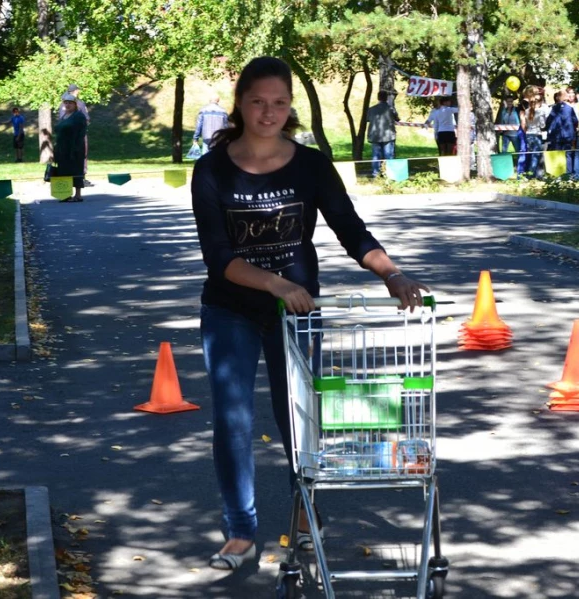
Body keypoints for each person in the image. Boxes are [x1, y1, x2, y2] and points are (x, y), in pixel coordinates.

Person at [190, 56, 429, 571]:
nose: (268, 112)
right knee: (233, 421)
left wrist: (392, 275)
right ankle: (240, 533)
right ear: (240, 104)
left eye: (279, 102)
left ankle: (305, 516)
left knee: (299, 421)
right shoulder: (211, 169)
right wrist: (277, 283)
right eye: (258, 101)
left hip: (297, 316)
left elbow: (351, 229)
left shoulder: (311, 164)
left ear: (290, 106)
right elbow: (220, 258)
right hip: (230, 310)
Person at [54, 92, 88, 202]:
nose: (67, 105)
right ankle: (65, 194)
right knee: (64, 170)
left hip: (74, 148)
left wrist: (76, 148)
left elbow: (81, 133)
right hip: (62, 148)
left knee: (76, 169)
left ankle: (78, 195)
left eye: (70, 103)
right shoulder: (64, 116)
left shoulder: (79, 116)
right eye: (66, 103)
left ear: (75, 104)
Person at [58, 84, 92, 185]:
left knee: (67, 157)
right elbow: (86, 119)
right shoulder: (79, 103)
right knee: (81, 155)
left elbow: (60, 121)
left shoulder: (62, 104)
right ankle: (80, 178)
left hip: (64, 136)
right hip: (78, 135)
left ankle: (69, 181)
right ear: (76, 91)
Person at [366, 90, 400, 177]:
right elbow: (397, 118)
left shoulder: (371, 109)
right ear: (386, 98)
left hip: (375, 135)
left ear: (378, 98)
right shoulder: (391, 108)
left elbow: (368, 119)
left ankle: (375, 174)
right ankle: (390, 175)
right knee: (389, 156)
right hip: (388, 135)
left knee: (375, 156)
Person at [545, 90, 579, 176]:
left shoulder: (555, 108)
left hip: (557, 135)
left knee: (558, 153)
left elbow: (549, 120)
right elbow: (575, 121)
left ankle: (559, 173)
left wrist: (547, 128)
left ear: (558, 97)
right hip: (568, 135)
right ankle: (568, 173)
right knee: (568, 154)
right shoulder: (570, 109)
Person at [520, 86, 548, 179]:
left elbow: (524, 124)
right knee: (536, 156)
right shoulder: (540, 112)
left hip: (529, 134)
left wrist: (527, 130)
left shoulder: (527, 111)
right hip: (537, 134)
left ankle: (538, 174)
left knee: (533, 154)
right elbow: (543, 125)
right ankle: (531, 174)